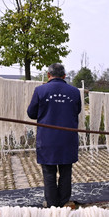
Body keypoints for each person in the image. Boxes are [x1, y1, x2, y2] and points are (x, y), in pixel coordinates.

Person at [27, 63, 82, 208]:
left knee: (49, 173)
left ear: (48, 75)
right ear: (64, 76)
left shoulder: (40, 90)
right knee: (66, 172)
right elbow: (77, 111)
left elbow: (31, 113)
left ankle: (52, 206)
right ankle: (64, 203)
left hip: (47, 139)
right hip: (68, 138)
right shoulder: (75, 92)